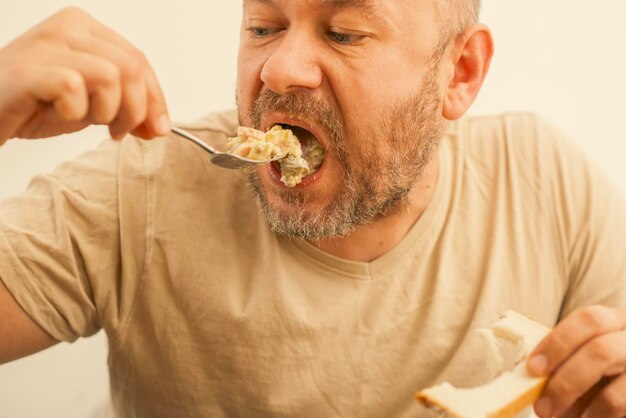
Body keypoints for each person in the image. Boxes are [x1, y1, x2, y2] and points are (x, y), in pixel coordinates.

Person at [0, 1, 625, 417]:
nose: (280, 70)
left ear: (458, 72)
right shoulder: (140, 187)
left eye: (344, 32)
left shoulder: (545, 183)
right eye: (263, 27)